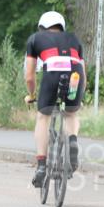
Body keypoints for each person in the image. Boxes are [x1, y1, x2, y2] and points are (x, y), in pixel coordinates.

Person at [23, 11, 85, 187]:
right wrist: (78, 96)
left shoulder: (35, 39)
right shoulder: (75, 39)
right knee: (71, 114)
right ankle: (72, 142)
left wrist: (31, 95)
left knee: (43, 117)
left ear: (41, 27)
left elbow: (29, 77)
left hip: (52, 74)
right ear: (62, 27)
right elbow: (83, 74)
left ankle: (41, 167)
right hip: (75, 75)